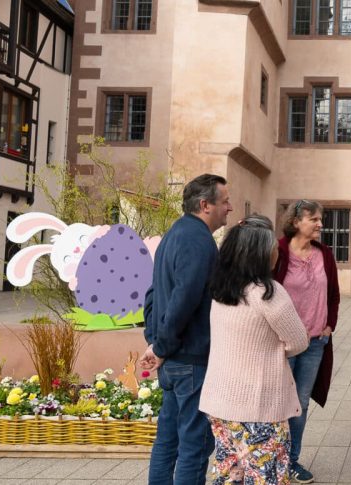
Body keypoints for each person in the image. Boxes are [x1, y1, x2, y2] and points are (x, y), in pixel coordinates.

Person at [199, 215, 310, 485]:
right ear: (259, 254)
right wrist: (271, 349)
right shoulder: (268, 293)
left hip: (221, 402)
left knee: (229, 474)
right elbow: (299, 341)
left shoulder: (222, 289)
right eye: (273, 247)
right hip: (258, 408)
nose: (277, 252)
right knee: (266, 477)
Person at [140, 174, 233, 484]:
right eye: (225, 201)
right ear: (205, 205)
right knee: (195, 446)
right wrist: (160, 346)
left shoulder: (174, 233)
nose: (230, 207)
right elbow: (184, 298)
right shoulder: (198, 240)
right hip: (191, 360)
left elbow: (153, 294)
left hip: (173, 359)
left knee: (167, 442)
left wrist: (156, 342)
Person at [273, 200, 341, 484]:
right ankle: (273, 459)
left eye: (320, 219)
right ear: (295, 222)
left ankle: (292, 460)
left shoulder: (324, 254)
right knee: (279, 402)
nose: (320, 224)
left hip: (315, 343)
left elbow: (333, 294)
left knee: (300, 402)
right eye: (313, 219)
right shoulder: (277, 251)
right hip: (284, 344)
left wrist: (329, 325)